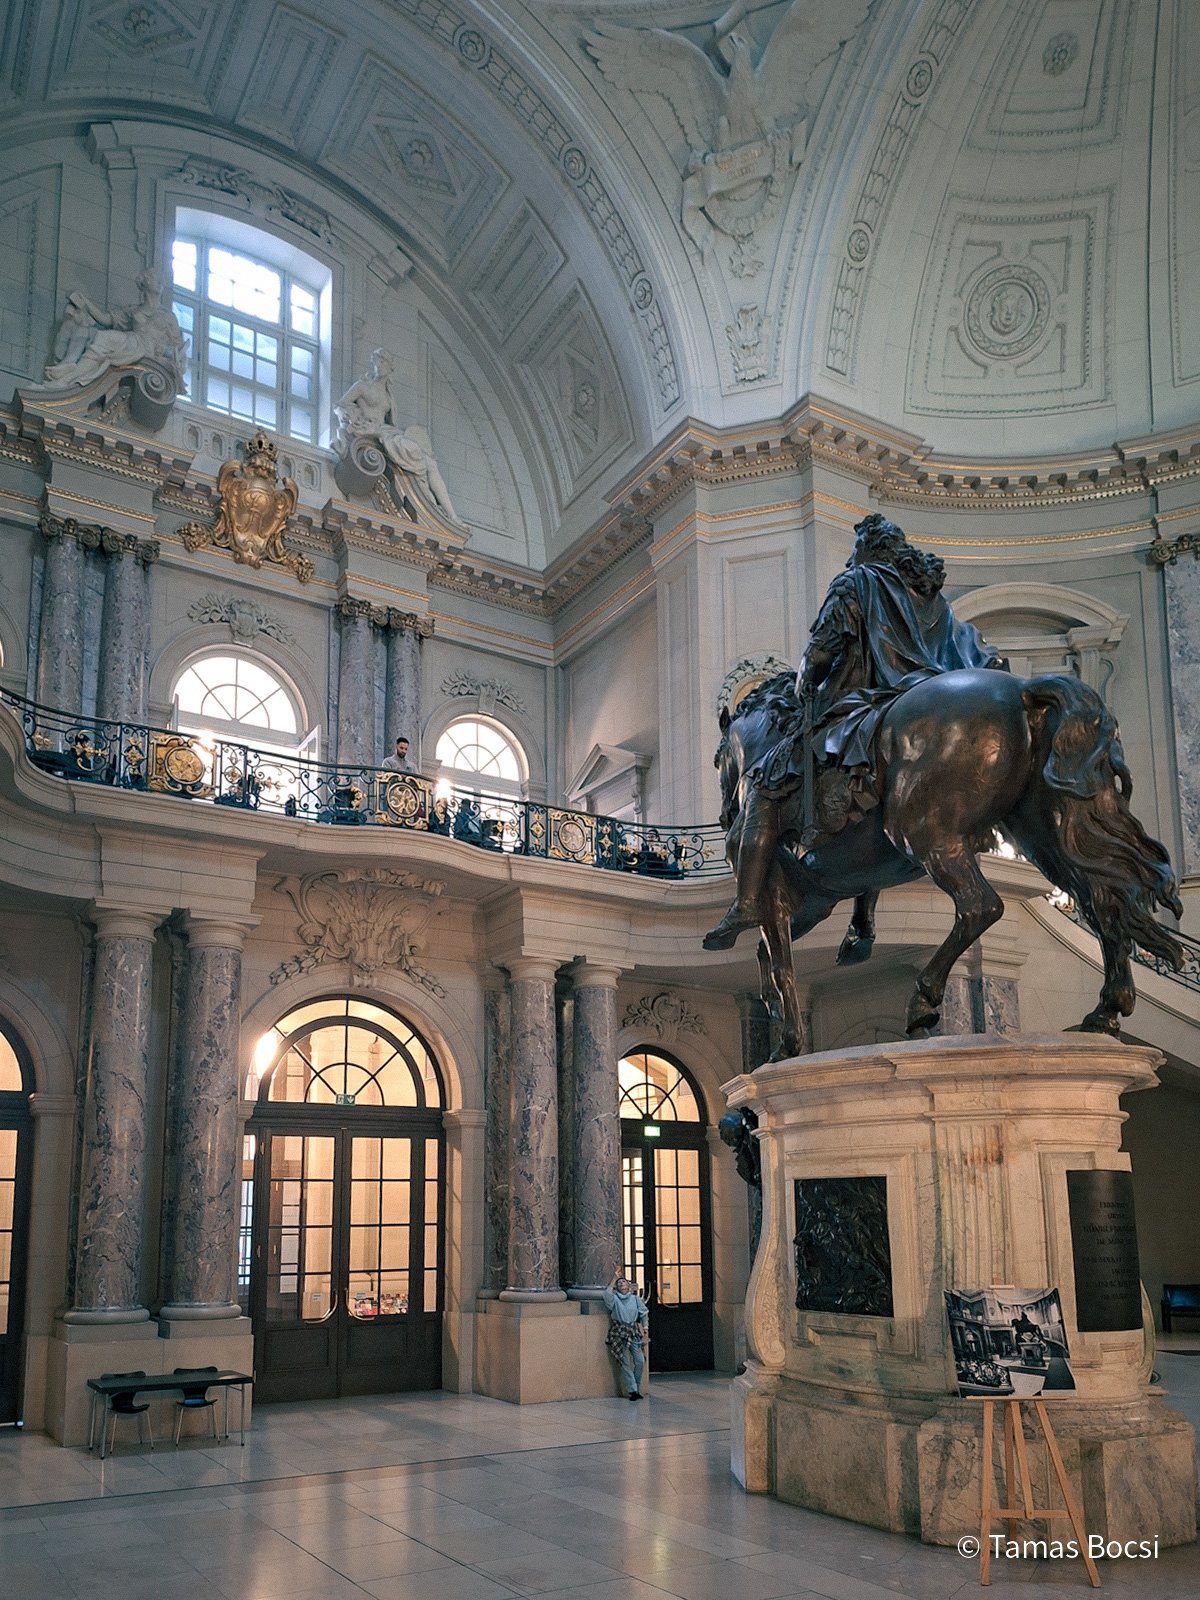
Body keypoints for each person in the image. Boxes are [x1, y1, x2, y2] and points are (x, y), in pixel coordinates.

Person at [704, 512, 1003, 950]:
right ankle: (863, 918)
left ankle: (747, 901)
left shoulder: (857, 581)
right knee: (881, 802)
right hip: (917, 699)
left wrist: (804, 679)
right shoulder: (929, 598)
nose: (850, 558)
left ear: (867, 548)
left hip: (864, 701)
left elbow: (820, 654)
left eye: (855, 549)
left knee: (764, 786)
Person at [333, 350, 462, 523]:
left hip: (385, 432)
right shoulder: (363, 386)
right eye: (377, 361)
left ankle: (449, 514)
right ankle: (431, 505)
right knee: (414, 453)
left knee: (430, 463)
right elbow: (340, 406)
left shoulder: (388, 396)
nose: (379, 365)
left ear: (390, 367)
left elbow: (390, 423)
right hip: (370, 432)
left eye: (383, 361)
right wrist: (351, 418)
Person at [41, 270, 187, 389]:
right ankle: (68, 377)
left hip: (147, 349)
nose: (161, 282)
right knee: (100, 337)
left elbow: (178, 348)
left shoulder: (169, 316)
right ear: (146, 282)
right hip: (134, 341)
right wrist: (85, 302)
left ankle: (67, 379)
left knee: (103, 338)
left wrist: (166, 352)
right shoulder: (133, 310)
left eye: (161, 280)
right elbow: (106, 319)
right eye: (156, 278)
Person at [604, 1267, 650, 1400]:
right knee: (625, 1362)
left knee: (639, 1360)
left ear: (628, 1285)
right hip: (619, 1332)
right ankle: (632, 1390)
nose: (621, 1284)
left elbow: (644, 1314)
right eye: (619, 1283)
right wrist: (614, 1278)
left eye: (623, 1282)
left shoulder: (635, 1299)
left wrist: (645, 1332)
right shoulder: (615, 1299)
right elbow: (607, 1295)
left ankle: (637, 1385)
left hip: (633, 1331)